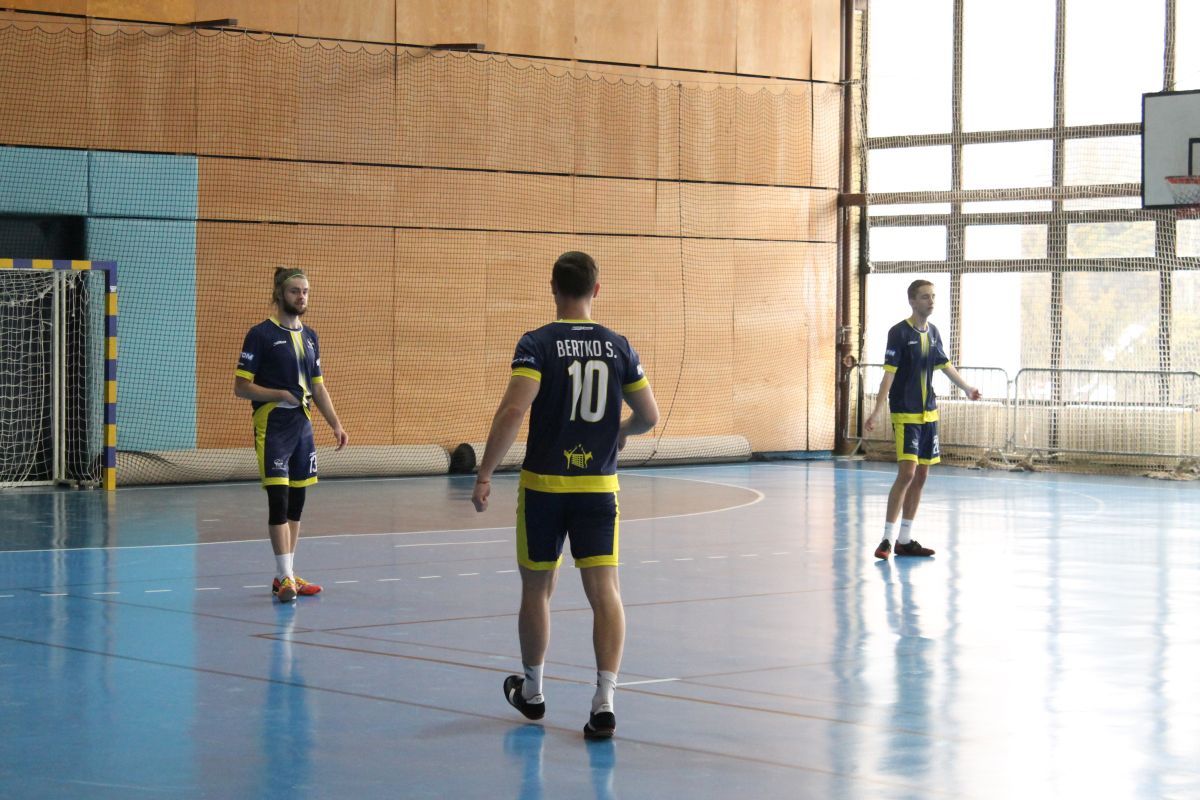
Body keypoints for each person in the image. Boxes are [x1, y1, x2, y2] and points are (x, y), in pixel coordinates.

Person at [471, 251, 659, 740]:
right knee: (605, 592)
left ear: (553, 288)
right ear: (596, 290)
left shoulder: (537, 344)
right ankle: (604, 700)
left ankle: (533, 690)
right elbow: (649, 416)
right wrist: (620, 431)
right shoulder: (619, 347)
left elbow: (514, 411)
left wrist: (485, 473)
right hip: (597, 489)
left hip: (544, 489)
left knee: (537, 589)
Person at [234, 267, 348, 602]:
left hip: (302, 426)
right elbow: (241, 387)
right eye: (295, 291)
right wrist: (279, 394)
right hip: (273, 425)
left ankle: (286, 575)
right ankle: (284, 575)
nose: (302, 297)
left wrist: (336, 424)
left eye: (306, 291)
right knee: (278, 499)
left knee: (297, 501)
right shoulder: (261, 334)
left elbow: (318, 387)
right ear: (280, 294)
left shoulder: (310, 336)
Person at [865, 279, 979, 560]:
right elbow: (888, 375)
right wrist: (877, 411)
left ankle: (904, 540)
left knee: (922, 475)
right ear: (912, 301)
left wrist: (967, 388)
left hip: (930, 413)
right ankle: (886, 539)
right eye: (925, 297)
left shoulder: (934, 332)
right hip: (906, 412)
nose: (931, 301)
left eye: (933, 296)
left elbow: (945, 365)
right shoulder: (899, 333)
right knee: (907, 473)